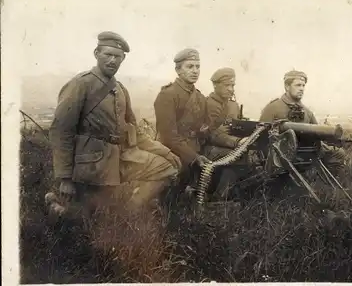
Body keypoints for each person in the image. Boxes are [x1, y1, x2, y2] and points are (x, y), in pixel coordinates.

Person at [47, 31, 181, 217]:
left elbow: (134, 131)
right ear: (96, 54)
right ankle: (58, 206)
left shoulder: (120, 89)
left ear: (123, 59)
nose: (112, 61)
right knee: (87, 219)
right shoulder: (81, 84)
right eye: (107, 55)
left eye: (117, 57)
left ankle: (128, 212)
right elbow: (61, 131)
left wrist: (166, 152)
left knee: (165, 168)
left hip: (119, 159)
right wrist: (65, 178)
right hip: (90, 165)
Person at [153, 50, 247, 202]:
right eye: (190, 67)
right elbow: (168, 137)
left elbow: (207, 132)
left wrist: (236, 142)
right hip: (172, 152)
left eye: (197, 67)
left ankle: (216, 201)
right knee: (169, 198)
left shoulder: (200, 98)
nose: (195, 71)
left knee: (236, 158)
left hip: (196, 149)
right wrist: (194, 157)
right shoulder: (168, 95)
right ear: (178, 70)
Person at [259, 70, 347, 181]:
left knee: (338, 154)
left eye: (303, 85)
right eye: (298, 85)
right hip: (280, 155)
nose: (301, 88)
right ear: (287, 86)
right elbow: (260, 137)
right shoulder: (273, 108)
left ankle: (325, 186)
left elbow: (316, 132)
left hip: (305, 153)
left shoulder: (307, 112)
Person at [202, 68, 251, 200]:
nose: (230, 89)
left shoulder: (233, 105)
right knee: (241, 158)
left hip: (228, 146)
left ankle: (228, 195)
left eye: (233, 85)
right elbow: (210, 134)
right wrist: (236, 142)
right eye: (227, 85)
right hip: (208, 148)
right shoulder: (207, 104)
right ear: (215, 85)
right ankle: (219, 198)